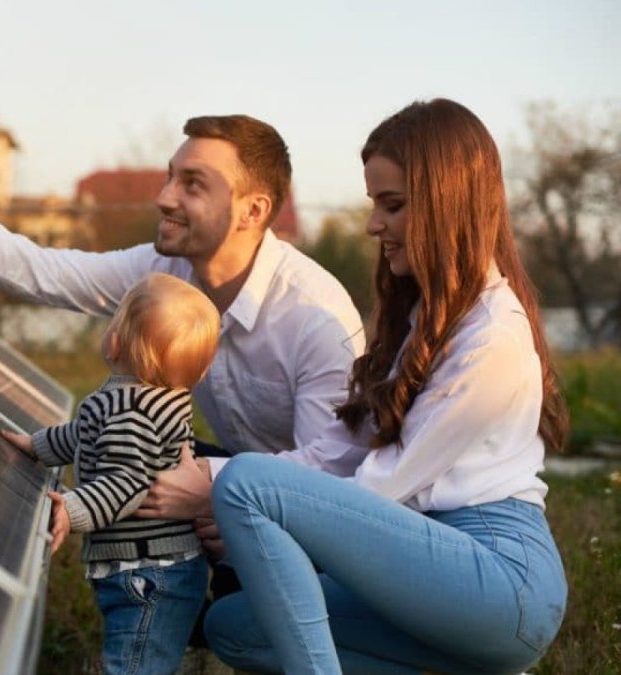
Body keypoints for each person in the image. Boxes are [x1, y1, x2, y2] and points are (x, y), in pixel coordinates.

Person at [0, 110, 365, 575]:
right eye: (172, 176)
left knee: (230, 614)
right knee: (129, 451)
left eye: (192, 184)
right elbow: (49, 273)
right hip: (230, 486)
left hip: (318, 522)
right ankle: (156, 602)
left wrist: (215, 486)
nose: (164, 197)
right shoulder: (165, 271)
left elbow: (330, 469)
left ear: (252, 211)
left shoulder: (315, 318)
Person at [194, 98, 569, 674]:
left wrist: (247, 511)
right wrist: (203, 478)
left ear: (449, 205)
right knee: (236, 627)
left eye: (392, 206)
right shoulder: (429, 320)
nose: (374, 225)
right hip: (428, 568)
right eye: (375, 205)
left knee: (248, 485)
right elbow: (344, 451)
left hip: (498, 579)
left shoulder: (492, 338)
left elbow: (385, 488)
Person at [1, 271, 221, 675]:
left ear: (115, 340)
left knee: (134, 665)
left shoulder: (129, 410)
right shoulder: (146, 399)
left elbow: (127, 482)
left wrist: (72, 508)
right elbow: (84, 435)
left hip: (148, 575)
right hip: (160, 569)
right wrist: (38, 446)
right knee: (140, 657)